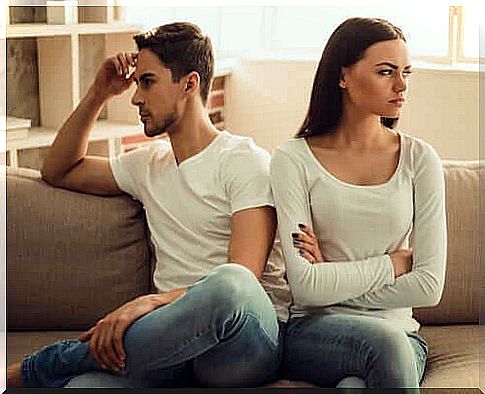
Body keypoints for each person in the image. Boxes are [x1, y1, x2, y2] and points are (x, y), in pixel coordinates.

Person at [7, 22, 290, 388]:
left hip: (241, 342)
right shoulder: (147, 164)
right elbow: (59, 169)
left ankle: (36, 368)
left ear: (189, 84)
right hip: (168, 348)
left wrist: (148, 304)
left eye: (148, 82)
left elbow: (244, 276)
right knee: (80, 388)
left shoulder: (244, 161)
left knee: (229, 285)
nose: (136, 97)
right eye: (136, 82)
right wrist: (99, 93)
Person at [270, 17, 446, 390]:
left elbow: (429, 286)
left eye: (406, 73)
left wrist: (331, 275)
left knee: (357, 383)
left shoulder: (420, 159)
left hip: (398, 330)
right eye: (386, 72)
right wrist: (392, 264)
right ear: (342, 77)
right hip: (314, 331)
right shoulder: (292, 159)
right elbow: (306, 290)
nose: (401, 86)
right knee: (386, 346)